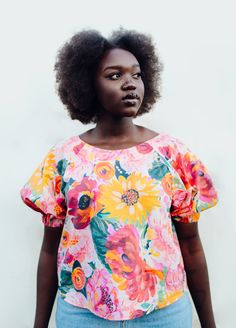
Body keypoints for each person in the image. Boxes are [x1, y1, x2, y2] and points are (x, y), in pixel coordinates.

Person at [20, 29, 218, 328]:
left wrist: (209, 324)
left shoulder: (172, 155)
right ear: (88, 85)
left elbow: (191, 245)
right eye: (114, 76)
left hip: (163, 314)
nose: (130, 84)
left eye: (137, 75)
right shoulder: (62, 160)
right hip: (82, 314)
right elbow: (50, 249)